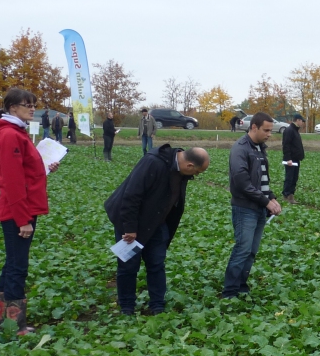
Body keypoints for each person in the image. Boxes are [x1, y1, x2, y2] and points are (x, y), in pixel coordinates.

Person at [105, 146, 209, 315]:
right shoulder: (153, 162)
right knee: (128, 265)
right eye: (197, 172)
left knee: (156, 263)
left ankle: (157, 305)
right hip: (131, 220)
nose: (195, 176)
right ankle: (126, 306)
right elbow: (131, 195)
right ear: (189, 165)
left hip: (156, 221)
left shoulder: (181, 172)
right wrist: (130, 227)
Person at [0, 88, 60, 335]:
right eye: (26, 104)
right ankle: (14, 326)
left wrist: (44, 167)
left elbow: (26, 172)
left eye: (33, 104)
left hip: (23, 208)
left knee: (12, 263)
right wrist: (23, 220)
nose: (32, 108)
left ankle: (3, 320)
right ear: (12, 108)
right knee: (18, 266)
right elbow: (13, 181)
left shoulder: (16, 133)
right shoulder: (10, 135)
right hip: (17, 211)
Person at [222, 113, 282, 298]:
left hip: (259, 207)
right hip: (244, 207)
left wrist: (271, 198)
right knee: (243, 249)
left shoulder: (259, 148)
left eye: (271, 131)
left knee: (251, 251)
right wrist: (266, 202)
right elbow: (243, 183)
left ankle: (241, 285)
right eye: (266, 130)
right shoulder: (240, 149)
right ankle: (230, 291)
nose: (269, 134)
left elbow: (262, 181)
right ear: (253, 127)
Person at [281, 114, 306, 204]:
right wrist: (288, 159)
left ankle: (291, 195)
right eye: (302, 121)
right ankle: (287, 195)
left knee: (294, 178)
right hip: (291, 160)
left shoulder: (295, 130)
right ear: (297, 120)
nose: (302, 123)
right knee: (289, 178)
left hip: (296, 159)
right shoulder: (289, 130)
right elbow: (286, 145)